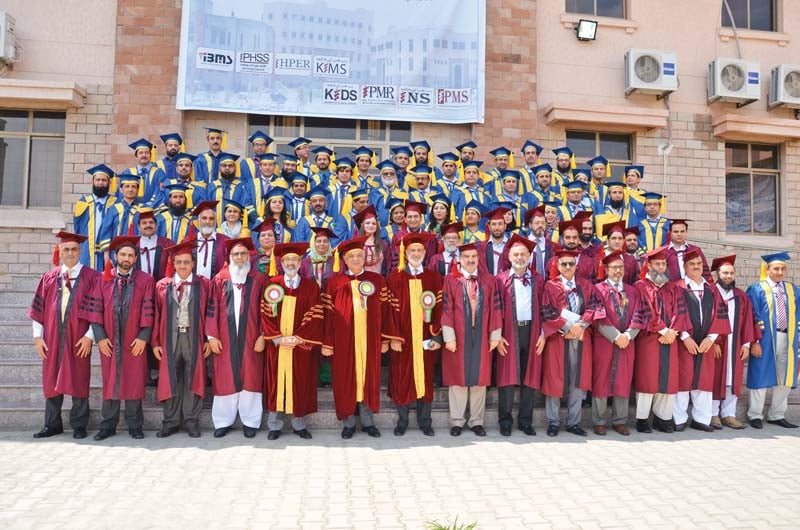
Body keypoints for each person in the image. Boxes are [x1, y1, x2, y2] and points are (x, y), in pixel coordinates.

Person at [321, 236, 402, 439]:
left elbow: (386, 312)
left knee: (369, 379)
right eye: (351, 256)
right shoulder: (334, 283)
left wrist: (385, 339)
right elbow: (327, 316)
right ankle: (348, 422)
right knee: (345, 380)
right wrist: (327, 342)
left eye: (359, 255)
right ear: (344, 260)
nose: (356, 259)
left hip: (370, 341)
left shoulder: (377, 281)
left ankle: (367, 422)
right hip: (343, 342)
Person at [29, 231, 103, 439]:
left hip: (79, 338)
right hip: (52, 337)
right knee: (51, 379)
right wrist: (37, 337)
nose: (70, 253)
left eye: (73, 249)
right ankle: (52, 424)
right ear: (59, 252)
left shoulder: (92, 277)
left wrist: (90, 336)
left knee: (79, 379)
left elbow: (97, 310)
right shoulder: (49, 277)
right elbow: (39, 309)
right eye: (66, 249)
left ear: (80, 251)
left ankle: (79, 425)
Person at [92, 236, 155, 441]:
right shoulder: (103, 279)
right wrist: (100, 338)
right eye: (123, 254)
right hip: (109, 340)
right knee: (110, 382)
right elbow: (95, 311)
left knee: (134, 382)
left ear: (135, 258)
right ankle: (108, 425)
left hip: (134, 340)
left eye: (130, 255)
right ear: (115, 256)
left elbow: (149, 310)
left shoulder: (145, 280)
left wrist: (143, 337)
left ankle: (135, 425)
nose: (126, 258)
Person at [205, 237, 267, 438]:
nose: (240, 257)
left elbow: (266, 310)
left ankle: (250, 421)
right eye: (235, 254)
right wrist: (212, 335)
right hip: (225, 337)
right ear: (229, 257)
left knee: (251, 377)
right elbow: (211, 308)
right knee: (225, 377)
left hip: (251, 338)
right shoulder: (220, 278)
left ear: (249, 256)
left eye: (243, 254)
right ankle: (223, 421)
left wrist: (263, 335)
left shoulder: (258, 278)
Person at [262, 242, 323, 439]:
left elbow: (315, 314)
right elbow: (265, 313)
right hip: (277, 346)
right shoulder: (272, 284)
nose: (290, 263)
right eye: (287, 259)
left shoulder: (310, 286)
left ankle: (299, 424)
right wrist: (278, 338)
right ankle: (274, 425)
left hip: (300, 345)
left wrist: (298, 338)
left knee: (299, 383)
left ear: (300, 262)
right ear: (281, 262)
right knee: (276, 384)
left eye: (294, 259)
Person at [441, 243, 503, 437]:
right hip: (458, 336)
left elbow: (496, 309)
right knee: (458, 379)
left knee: (479, 380)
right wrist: (448, 336)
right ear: (460, 259)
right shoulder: (451, 280)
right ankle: (457, 421)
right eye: (466, 257)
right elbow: (446, 309)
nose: (470, 260)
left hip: (482, 335)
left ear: (478, 259)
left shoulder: (489, 281)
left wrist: (495, 335)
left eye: (473, 257)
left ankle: (477, 421)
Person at [151, 240, 211, 438]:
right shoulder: (162, 286)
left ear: (193, 263)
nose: (183, 266)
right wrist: (156, 342)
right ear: (173, 263)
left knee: (192, 378)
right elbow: (156, 315)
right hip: (170, 339)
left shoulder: (204, 284)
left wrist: (209, 339)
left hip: (194, 338)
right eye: (179, 262)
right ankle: (170, 421)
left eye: (186, 262)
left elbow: (211, 312)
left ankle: (191, 421)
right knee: (171, 378)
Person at [386, 233, 443, 436]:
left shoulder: (433, 277)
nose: (416, 254)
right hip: (402, 338)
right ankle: (402, 421)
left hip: (426, 338)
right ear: (405, 253)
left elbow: (440, 309)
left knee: (425, 378)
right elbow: (389, 310)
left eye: (419, 250)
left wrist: (437, 337)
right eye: (412, 251)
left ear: (425, 253)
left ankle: (425, 421)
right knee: (402, 378)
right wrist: (392, 337)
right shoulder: (395, 277)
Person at [540, 248, 595, 437]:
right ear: (557, 266)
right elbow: (547, 311)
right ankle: (553, 422)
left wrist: (581, 325)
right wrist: (567, 327)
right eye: (564, 264)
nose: (568, 267)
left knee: (577, 380)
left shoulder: (586, 285)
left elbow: (593, 308)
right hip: (558, 338)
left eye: (571, 263)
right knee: (555, 378)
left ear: (576, 266)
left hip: (580, 338)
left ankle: (574, 422)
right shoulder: (550, 286)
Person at [633, 246, 689, 433]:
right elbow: (645, 311)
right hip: (649, 340)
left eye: (663, 264)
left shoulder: (672, 288)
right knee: (647, 379)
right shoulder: (640, 287)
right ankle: (642, 420)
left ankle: (662, 418)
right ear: (648, 265)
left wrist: (672, 331)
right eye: (657, 264)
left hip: (670, 340)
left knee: (668, 379)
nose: (660, 267)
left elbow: (680, 312)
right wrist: (663, 330)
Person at [673, 248, 730, 432]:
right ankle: (679, 419)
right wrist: (685, 336)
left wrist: (712, 338)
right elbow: (675, 313)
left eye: (699, 264)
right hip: (685, 341)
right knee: (683, 380)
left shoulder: (712, 289)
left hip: (706, 341)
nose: (696, 267)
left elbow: (721, 314)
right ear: (685, 267)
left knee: (703, 381)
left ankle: (701, 419)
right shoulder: (678, 287)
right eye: (692, 264)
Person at [494, 234, 544, 436]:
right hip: (508, 332)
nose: (520, 257)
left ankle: (525, 421)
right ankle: (505, 420)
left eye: (523, 254)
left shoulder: (538, 280)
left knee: (529, 377)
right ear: (509, 256)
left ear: (529, 256)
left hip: (532, 331)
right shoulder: (500, 280)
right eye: (516, 254)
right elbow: (495, 309)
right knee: (506, 378)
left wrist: (543, 334)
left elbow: (545, 309)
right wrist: (496, 336)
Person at [590, 251, 644, 436]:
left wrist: (628, 336)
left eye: (621, 267)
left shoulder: (632, 291)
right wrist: (615, 336)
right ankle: (599, 421)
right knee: (601, 380)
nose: (618, 271)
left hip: (627, 343)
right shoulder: (597, 289)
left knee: (623, 379)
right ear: (606, 269)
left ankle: (620, 421)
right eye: (614, 267)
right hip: (604, 343)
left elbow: (638, 315)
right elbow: (598, 317)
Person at [746, 252, 800, 429]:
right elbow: (751, 317)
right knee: (760, 374)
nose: (780, 272)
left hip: (788, 338)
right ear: (767, 269)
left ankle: (776, 414)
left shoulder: (793, 289)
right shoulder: (757, 289)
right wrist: (754, 341)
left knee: (785, 377)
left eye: (783, 269)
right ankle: (755, 414)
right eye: (776, 268)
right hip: (765, 339)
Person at [710, 255, 758, 430]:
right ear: (717, 273)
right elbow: (707, 319)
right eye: (725, 273)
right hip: (717, 344)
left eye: (731, 273)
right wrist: (712, 341)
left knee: (733, 379)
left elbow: (748, 322)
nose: (728, 276)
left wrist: (746, 344)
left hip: (736, 344)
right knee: (715, 378)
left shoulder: (741, 296)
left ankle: (729, 414)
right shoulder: (710, 292)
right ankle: (713, 414)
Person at [74, 164, 117, 271]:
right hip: (88, 246)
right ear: (92, 182)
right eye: (97, 180)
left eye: (104, 180)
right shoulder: (83, 202)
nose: (100, 183)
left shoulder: (116, 203)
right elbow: (77, 227)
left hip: (109, 247)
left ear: (109, 183)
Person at [192, 200, 229, 280]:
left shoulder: (225, 241)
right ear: (199, 221)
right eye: (204, 218)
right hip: (194, 288)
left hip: (217, 287)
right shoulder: (190, 241)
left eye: (211, 219)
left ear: (215, 221)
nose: (207, 222)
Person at [136, 207, 172, 281]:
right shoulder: (134, 245)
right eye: (144, 223)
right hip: (139, 288)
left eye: (151, 222)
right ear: (139, 227)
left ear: (156, 226)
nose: (148, 225)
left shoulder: (167, 244)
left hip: (161, 288)